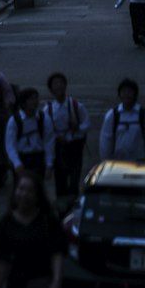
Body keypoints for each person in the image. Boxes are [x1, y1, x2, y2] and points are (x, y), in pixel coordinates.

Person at [42, 73, 90, 203]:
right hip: (58, 148)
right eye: (55, 84)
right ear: (51, 89)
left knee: (74, 181)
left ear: (65, 85)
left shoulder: (76, 106)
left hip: (74, 146)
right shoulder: (48, 109)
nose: (58, 86)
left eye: (61, 83)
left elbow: (86, 124)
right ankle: (62, 210)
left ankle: (72, 206)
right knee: (60, 181)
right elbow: (47, 132)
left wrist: (77, 128)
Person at [98, 78, 145, 163]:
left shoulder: (144, 114)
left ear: (135, 94)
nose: (126, 95)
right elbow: (105, 141)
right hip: (118, 162)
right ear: (119, 94)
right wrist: (105, 161)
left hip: (139, 162)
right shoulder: (112, 115)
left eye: (130, 91)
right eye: (123, 91)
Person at [5, 88, 54, 183]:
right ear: (23, 103)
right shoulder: (14, 120)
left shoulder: (44, 118)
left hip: (38, 158)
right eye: (31, 99)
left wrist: (49, 164)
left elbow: (49, 142)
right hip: (22, 158)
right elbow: (10, 144)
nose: (35, 102)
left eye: (36, 98)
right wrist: (17, 163)